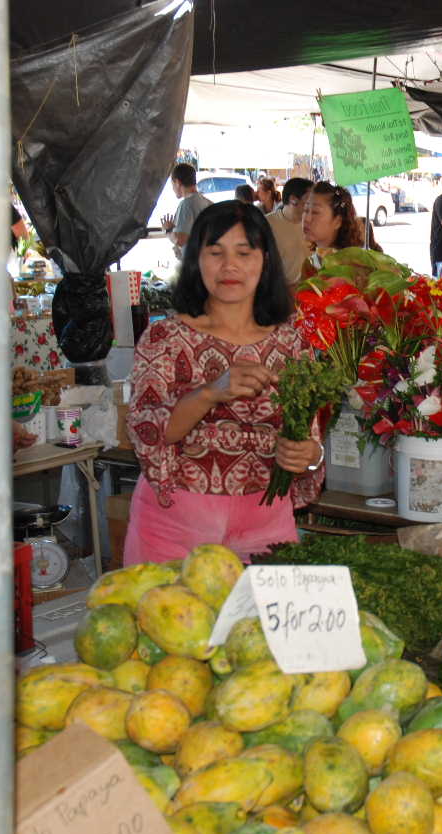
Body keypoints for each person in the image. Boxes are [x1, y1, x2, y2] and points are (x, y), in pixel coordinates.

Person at [124, 201, 324, 562]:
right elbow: (148, 430)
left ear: (265, 260)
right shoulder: (165, 338)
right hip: (173, 530)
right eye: (215, 253)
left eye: (244, 253)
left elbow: (309, 441)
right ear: (196, 260)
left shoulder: (291, 343)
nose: (230, 266)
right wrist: (210, 393)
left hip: (267, 525)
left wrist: (309, 457)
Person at [301, 182, 365, 275]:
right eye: (306, 210)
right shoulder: (310, 264)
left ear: (337, 221)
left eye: (315, 212)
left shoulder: (353, 266)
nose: (307, 219)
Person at [160, 163, 211, 259]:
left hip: (195, 262)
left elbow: (180, 240)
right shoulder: (206, 201)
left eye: (172, 184)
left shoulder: (186, 204)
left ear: (177, 182)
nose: (173, 189)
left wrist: (168, 230)